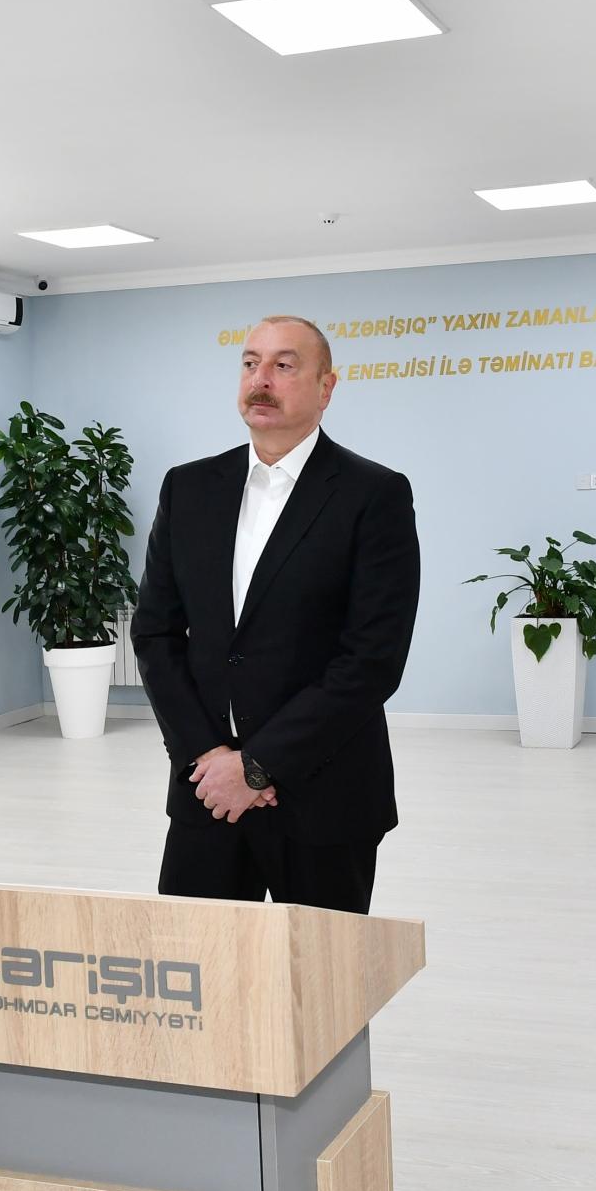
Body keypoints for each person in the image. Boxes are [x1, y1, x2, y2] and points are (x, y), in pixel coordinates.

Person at [130, 314, 420, 915]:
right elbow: (156, 632)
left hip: (324, 796)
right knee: (198, 964)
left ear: (326, 387)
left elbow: (372, 659)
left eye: (284, 365)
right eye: (250, 363)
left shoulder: (374, 495)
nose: (260, 379)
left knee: (324, 972)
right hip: (207, 792)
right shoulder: (188, 488)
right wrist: (207, 758)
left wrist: (258, 767)